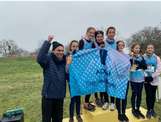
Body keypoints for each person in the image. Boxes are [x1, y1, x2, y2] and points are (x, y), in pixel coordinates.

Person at [37, 35, 67, 122]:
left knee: (58, 119)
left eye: (62, 50)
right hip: (48, 96)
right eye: (58, 50)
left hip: (60, 96)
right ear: (53, 51)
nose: (60, 52)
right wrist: (48, 42)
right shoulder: (48, 59)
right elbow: (40, 58)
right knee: (46, 119)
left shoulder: (65, 61)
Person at [79, 27, 97, 111]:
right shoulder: (82, 41)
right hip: (83, 67)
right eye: (90, 32)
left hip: (91, 67)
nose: (92, 34)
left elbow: (94, 53)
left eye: (93, 33)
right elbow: (79, 53)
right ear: (87, 32)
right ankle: (84, 103)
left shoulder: (93, 43)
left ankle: (86, 102)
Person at [66, 40, 83, 122]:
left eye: (77, 46)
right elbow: (66, 70)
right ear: (70, 47)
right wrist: (69, 63)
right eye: (73, 46)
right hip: (71, 82)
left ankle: (78, 115)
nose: (75, 48)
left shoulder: (80, 57)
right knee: (73, 99)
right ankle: (71, 117)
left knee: (78, 99)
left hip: (78, 82)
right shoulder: (68, 56)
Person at [143, 44, 161, 119]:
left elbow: (159, 69)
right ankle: (148, 110)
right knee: (148, 95)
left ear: (153, 49)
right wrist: (146, 76)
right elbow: (142, 67)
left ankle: (152, 109)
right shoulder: (143, 57)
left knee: (152, 95)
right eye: (148, 48)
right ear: (146, 49)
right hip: (146, 79)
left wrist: (152, 76)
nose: (150, 49)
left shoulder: (157, 58)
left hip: (154, 79)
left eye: (151, 48)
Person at [129, 43, 147, 119]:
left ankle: (138, 109)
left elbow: (145, 67)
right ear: (133, 49)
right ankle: (133, 109)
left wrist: (138, 65)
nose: (137, 49)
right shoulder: (130, 57)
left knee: (139, 95)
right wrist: (138, 65)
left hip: (141, 79)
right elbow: (132, 68)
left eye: (138, 48)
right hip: (133, 79)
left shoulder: (142, 57)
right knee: (134, 94)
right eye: (136, 48)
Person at [116, 40, 130, 122]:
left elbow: (130, 67)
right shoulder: (114, 55)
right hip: (117, 79)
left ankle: (124, 113)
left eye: (122, 45)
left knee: (124, 97)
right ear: (117, 46)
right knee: (118, 97)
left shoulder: (127, 56)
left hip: (125, 79)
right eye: (119, 45)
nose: (121, 46)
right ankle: (119, 113)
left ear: (124, 46)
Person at [104, 26, 117, 111]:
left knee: (112, 85)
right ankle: (106, 101)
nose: (111, 34)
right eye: (110, 32)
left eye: (113, 32)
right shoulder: (103, 43)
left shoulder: (117, 43)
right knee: (105, 85)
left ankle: (112, 103)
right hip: (104, 67)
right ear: (107, 33)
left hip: (114, 68)